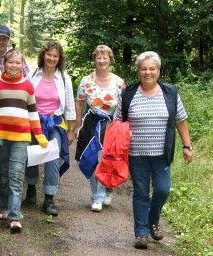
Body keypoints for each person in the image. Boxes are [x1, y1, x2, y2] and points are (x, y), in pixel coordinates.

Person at [114, 51, 193, 250]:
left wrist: (187, 145)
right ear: (138, 71)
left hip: (161, 154)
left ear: (158, 71)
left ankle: (153, 219)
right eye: (144, 68)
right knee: (141, 192)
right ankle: (141, 233)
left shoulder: (171, 93)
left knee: (162, 189)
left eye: (152, 68)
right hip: (136, 154)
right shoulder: (127, 94)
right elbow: (117, 123)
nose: (148, 72)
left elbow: (180, 120)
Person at [0, 48, 48, 233]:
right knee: (2, 174)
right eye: (11, 62)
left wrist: (39, 134)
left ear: (22, 65)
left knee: (17, 174)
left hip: (21, 138)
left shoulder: (28, 86)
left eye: (18, 62)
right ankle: (3, 207)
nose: (14, 65)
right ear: (4, 63)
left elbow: (33, 114)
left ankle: (15, 216)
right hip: (1, 138)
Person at [24, 41, 77, 217]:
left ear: (59, 58)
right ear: (43, 55)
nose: (51, 58)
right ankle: (31, 190)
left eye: (55, 56)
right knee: (31, 156)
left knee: (52, 160)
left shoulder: (64, 78)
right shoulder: (33, 75)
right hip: (33, 122)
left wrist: (71, 130)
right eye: (49, 54)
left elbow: (69, 104)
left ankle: (49, 198)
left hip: (54, 123)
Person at [75, 45, 125, 212]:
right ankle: (97, 196)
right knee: (93, 159)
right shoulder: (86, 80)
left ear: (110, 59)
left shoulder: (119, 82)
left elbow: (124, 106)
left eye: (105, 57)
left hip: (111, 125)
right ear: (94, 59)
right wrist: (76, 125)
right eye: (99, 57)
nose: (102, 60)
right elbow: (80, 103)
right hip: (91, 123)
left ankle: (108, 189)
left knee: (108, 160)